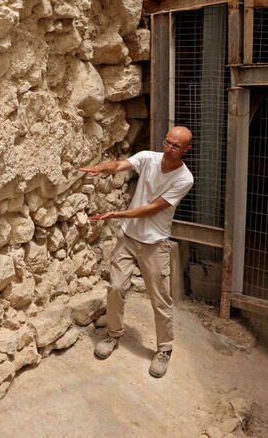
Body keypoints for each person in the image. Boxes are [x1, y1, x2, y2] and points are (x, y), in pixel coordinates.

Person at [79, 126, 194, 378]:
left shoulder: (184, 178)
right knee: (117, 287)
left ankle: (164, 349)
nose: (169, 147)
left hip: (154, 243)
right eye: (167, 141)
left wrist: (115, 214)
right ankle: (112, 335)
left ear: (186, 150)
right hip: (128, 237)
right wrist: (100, 168)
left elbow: (152, 209)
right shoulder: (148, 158)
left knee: (160, 299)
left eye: (176, 145)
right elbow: (119, 165)